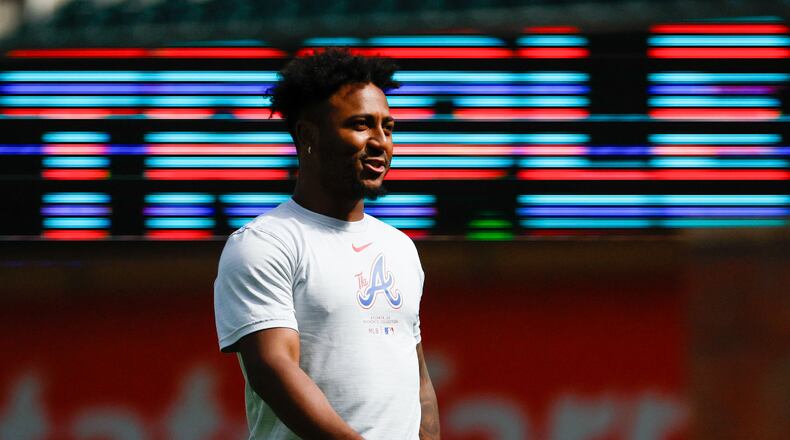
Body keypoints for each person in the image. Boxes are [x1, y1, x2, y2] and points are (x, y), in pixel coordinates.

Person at [213, 48, 440, 439]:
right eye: (360, 124)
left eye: (388, 127)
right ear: (307, 135)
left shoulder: (400, 247)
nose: (380, 142)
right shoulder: (265, 244)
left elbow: (417, 380)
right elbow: (273, 370)